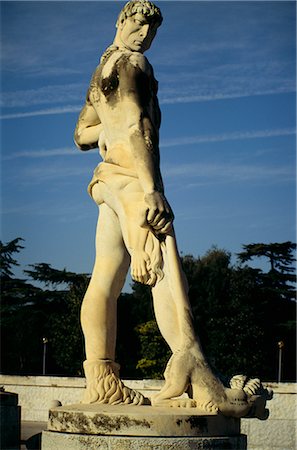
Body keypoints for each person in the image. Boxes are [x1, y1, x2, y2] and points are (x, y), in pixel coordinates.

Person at [74, 0, 271, 417]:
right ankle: (194, 368)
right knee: (162, 272)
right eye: (138, 25)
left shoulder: (101, 70)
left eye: (152, 31)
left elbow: (81, 133)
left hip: (106, 179)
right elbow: (137, 126)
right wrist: (151, 190)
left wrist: (109, 132)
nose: (144, 36)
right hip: (132, 181)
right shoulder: (133, 66)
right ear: (121, 21)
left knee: (106, 275)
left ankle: (102, 382)